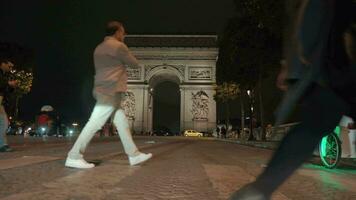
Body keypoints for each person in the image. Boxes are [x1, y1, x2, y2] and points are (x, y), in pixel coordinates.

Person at [230, 0, 356, 199]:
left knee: (319, 118)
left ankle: (260, 189)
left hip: (331, 49)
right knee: (322, 115)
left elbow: (299, 13)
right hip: (336, 48)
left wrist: (289, 63)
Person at [65, 21, 152, 169]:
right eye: (123, 32)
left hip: (101, 88)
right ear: (117, 32)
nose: (124, 35)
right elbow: (134, 64)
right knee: (94, 123)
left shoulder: (98, 48)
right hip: (111, 90)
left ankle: (134, 155)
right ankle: (74, 156)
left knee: (122, 123)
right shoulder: (119, 46)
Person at [0, 59, 17, 152]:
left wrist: (12, 87)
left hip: (1, 100)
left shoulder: (5, 75)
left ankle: (2, 144)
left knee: (3, 122)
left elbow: (6, 90)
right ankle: (2, 144)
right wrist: (8, 83)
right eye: (9, 66)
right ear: (3, 63)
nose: (10, 68)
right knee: (3, 122)